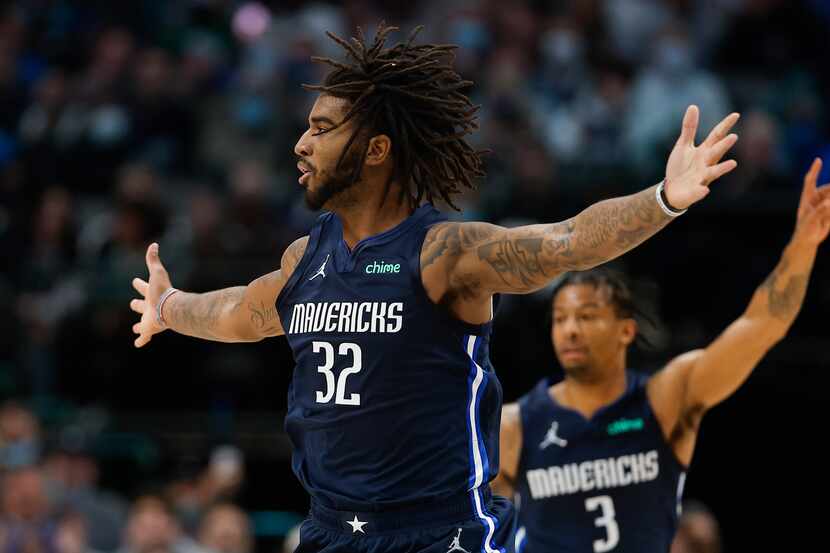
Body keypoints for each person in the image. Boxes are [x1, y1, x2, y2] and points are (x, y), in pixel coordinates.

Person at [130, 23, 739, 553]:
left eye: (321, 128)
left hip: (441, 536)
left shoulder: (443, 255)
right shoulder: (304, 258)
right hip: (331, 532)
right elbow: (242, 310)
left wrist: (664, 200)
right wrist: (168, 306)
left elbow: (566, 242)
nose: (301, 144)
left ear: (374, 150)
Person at [493, 159, 830, 553]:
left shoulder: (664, 401)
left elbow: (760, 327)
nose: (570, 329)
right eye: (560, 318)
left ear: (626, 330)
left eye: (586, 316)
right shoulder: (515, 426)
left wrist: (803, 246)